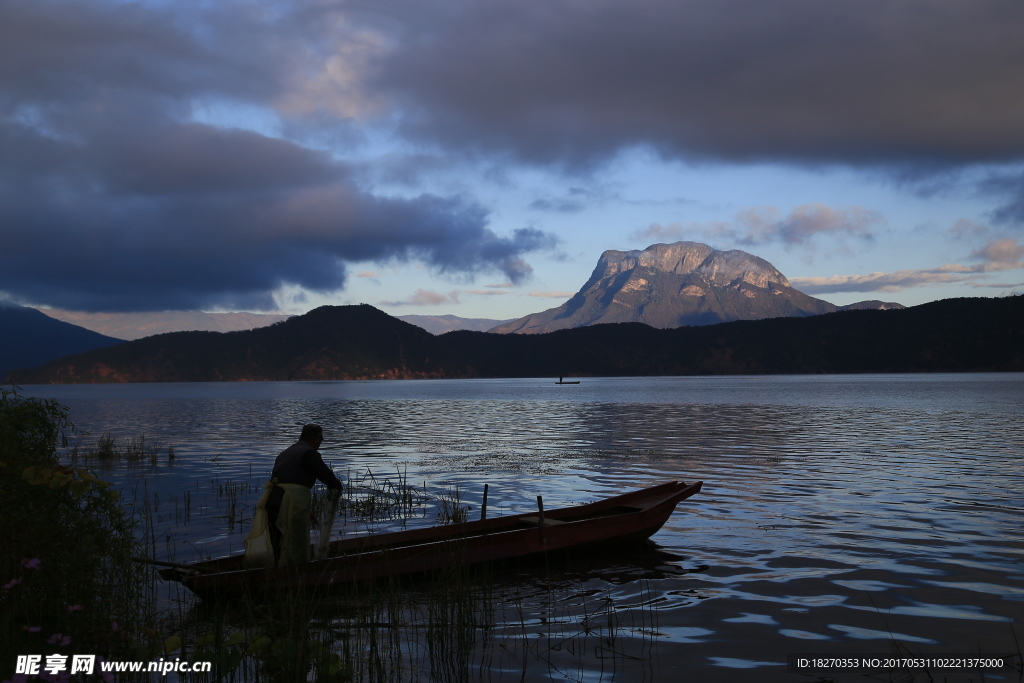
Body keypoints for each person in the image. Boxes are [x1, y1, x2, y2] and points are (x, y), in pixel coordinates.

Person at [244, 424, 342, 568]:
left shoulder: (286, 453)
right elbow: (328, 478)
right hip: (289, 503)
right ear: (316, 439)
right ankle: (295, 576)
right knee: (295, 542)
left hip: (273, 501)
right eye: (320, 441)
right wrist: (337, 486)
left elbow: (290, 480)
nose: (320, 444)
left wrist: (308, 510)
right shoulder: (309, 453)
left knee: (277, 542)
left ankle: (276, 574)